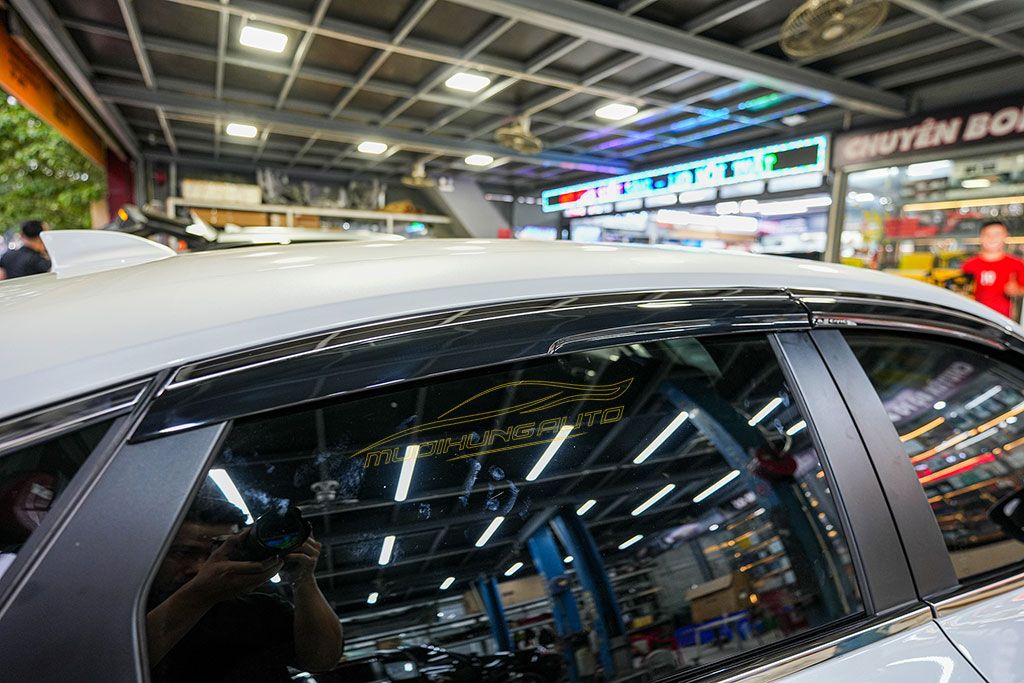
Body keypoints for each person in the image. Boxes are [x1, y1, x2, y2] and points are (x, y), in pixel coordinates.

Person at [146, 494, 343, 682]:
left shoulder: (260, 610)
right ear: (156, 553)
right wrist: (201, 595)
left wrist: (303, 579)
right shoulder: (136, 612)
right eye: (183, 553)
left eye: (218, 551)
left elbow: (323, 659)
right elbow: (127, 662)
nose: (201, 567)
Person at [961, 221, 1024, 318]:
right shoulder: (969, 265)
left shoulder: (1017, 264)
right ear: (981, 238)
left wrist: (1017, 290)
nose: (992, 238)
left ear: (1005, 236)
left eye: (997, 234)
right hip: (974, 317)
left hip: (1003, 321)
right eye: (988, 234)